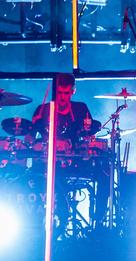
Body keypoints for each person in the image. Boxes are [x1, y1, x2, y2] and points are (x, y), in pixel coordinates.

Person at [30, 74, 109, 231]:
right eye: (59, 93)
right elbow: (29, 140)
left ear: (73, 91)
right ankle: (46, 222)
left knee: (105, 175)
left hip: (76, 163)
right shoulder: (43, 110)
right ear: (54, 92)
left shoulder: (80, 109)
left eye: (66, 93)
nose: (63, 97)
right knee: (35, 176)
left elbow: (89, 136)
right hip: (50, 165)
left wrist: (85, 145)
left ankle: (98, 222)